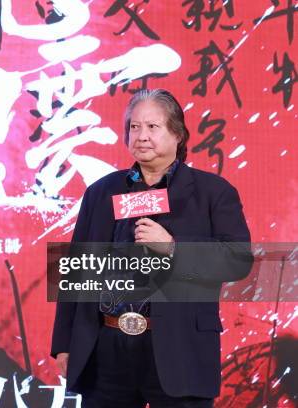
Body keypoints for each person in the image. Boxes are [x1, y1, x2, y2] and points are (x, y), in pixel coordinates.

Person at [51, 89, 252, 407]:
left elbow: (238, 260)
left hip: (179, 348)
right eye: (134, 127)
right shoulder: (101, 192)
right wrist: (64, 343)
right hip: (106, 347)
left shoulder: (213, 192)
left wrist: (173, 247)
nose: (141, 136)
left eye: (152, 127)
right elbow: (77, 271)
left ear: (178, 135)